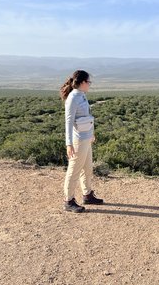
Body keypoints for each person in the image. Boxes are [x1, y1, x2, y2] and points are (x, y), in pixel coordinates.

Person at [60, 70, 104, 213]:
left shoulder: (81, 95)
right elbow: (68, 121)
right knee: (74, 170)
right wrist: (69, 143)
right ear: (83, 82)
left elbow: (86, 116)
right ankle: (68, 200)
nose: (89, 85)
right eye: (89, 82)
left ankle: (87, 194)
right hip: (78, 139)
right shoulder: (73, 97)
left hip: (86, 138)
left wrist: (92, 133)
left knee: (87, 168)